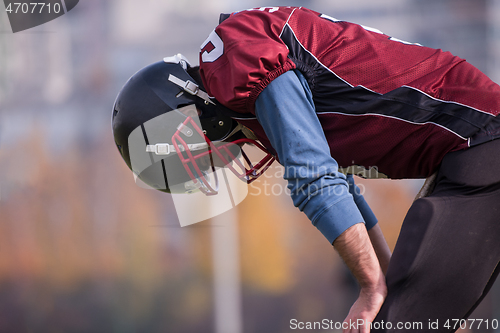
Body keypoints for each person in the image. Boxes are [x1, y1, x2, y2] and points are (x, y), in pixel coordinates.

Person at [112, 6, 500, 333]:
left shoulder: (237, 53)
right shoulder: (259, 104)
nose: (214, 163)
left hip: (481, 142)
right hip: (469, 153)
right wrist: (385, 284)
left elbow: (314, 176)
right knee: (406, 319)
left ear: (183, 119)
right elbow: (344, 189)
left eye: (196, 158)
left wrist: (371, 288)